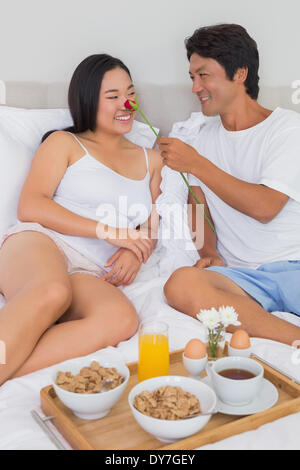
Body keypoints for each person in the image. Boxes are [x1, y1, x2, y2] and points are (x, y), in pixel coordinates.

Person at [0, 54, 162, 384]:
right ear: (88, 100)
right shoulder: (65, 142)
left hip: (90, 270)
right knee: (52, 291)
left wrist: (134, 249)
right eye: (113, 96)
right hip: (41, 243)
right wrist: (112, 232)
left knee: (120, 319)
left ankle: (9, 365)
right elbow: (31, 206)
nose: (126, 104)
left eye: (131, 94)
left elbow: (154, 220)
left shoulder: (152, 159)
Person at [159, 24, 300, 346]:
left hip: (294, 266)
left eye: (204, 75)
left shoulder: (287, 128)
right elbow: (197, 204)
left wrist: (196, 163)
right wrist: (208, 250)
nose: (195, 87)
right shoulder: (201, 139)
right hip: (244, 279)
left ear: (239, 73)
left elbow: (265, 207)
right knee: (180, 284)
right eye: (192, 77)